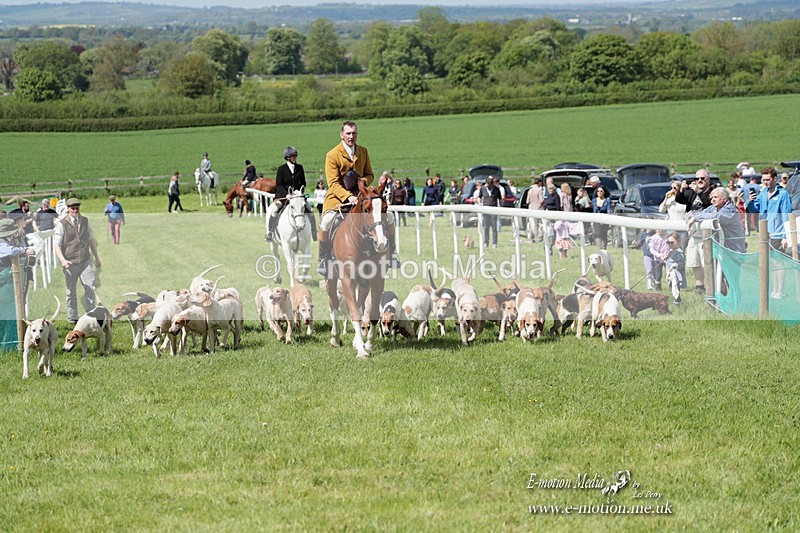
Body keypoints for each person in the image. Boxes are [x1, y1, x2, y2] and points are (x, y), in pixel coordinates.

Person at [317, 120, 398, 275]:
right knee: (326, 222)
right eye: (348, 133)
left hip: (362, 196)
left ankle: (392, 254)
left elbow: (370, 174)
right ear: (341, 135)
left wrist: (362, 183)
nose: (351, 136)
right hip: (337, 198)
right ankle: (324, 258)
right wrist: (348, 197)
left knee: (389, 217)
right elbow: (333, 183)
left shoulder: (363, 151)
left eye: (354, 133)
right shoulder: (332, 155)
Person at [746, 166, 793, 299]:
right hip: (765, 234)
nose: (765, 182)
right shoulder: (762, 193)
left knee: (779, 262)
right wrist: (750, 201)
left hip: (778, 234)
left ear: (774, 179)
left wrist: (785, 236)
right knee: (772, 262)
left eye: (767, 179)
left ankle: (780, 290)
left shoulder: (783, 194)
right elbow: (754, 209)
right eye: (763, 180)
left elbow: (786, 215)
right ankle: (774, 290)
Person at [53, 198, 101, 324]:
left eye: (77, 208)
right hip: (70, 263)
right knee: (71, 292)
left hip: (85, 261)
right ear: (68, 209)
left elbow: (91, 239)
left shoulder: (85, 221)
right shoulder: (61, 224)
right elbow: (56, 245)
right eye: (72, 208)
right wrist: (63, 261)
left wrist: (96, 257)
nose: (75, 210)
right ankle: (72, 318)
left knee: (90, 288)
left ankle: (90, 317)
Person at [675, 169, 714, 294]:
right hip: (693, 233)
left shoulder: (712, 191)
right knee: (694, 261)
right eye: (697, 179)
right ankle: (699, 286)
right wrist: (682, 189)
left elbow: (709, 204)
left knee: (706, 261)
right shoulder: (692, 193)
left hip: (706, 233)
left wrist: (698, 191)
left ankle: (711, 286)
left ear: (708, 179)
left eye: (703, 178)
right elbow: (680, 200)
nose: (700, 181)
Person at [0, 218, 36, 351]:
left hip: (6, 281)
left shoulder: (9, 241)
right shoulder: (2, 243)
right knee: (10, 313)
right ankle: (9, 346)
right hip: (4, 282)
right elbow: (11, 251)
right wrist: (24, 251)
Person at [266, 146, 315, 242]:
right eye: (293, 156)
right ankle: (270, 232)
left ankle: (314, 232)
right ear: (288, 157)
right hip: (284, 196)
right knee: (275, 210)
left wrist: (300, 192)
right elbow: (279, 185)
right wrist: (286, 194)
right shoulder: (281, 169)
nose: (295, 158)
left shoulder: (300, 168)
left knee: (310, 210)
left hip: (297, 197)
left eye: (295, 156)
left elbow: (303, 182)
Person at [690, 187, 746, 254]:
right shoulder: (712, 208)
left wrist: (694, 218)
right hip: (720, 248)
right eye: (712, 198)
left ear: (725, 199)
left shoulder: (730, 209)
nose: (713, 200)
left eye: (716, 197)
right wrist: (695, 217)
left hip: (734, 250)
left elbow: (716, 217)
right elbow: (701, 214)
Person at [665, 232, 686, 305]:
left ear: (679, 241)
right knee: (672, 286)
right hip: (671, 274)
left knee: (675, 287)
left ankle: (677, 301)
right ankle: (676, 300)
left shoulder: (679, 252)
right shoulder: (671, 251)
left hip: (676, 274)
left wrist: (674, 265)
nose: (670, 244)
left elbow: (682, 264)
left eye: (672, 242)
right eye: (668, 242)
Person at [481, 176, 502, 248]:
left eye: (489, 184)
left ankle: (494, 243)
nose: (487, 185)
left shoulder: (496, 189)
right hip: (485, 209)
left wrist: (501, 208)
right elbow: (479, 197)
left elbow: (500, 198)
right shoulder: (483, 188)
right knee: (486, 227)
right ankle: (486, 242)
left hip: (493, 209)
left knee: (494, 227)